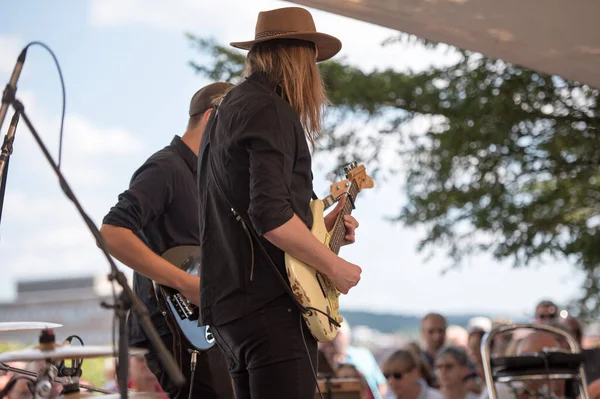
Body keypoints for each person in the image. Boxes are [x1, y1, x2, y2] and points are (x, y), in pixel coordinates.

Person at [196, 6, 362, 399]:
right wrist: (333, 265)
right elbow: (270, 217)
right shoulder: (272, 110)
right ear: (300, 58)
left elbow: (252, 208)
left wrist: (323, 225)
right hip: (270, 304)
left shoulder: (223, 114)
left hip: (227, 305)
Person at [100, 82, 235, 399]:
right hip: (175, 327)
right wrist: (187, 285)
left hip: (210, 326)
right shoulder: (166, 167)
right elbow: (112, 233)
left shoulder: (209, 178)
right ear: (212, 118)